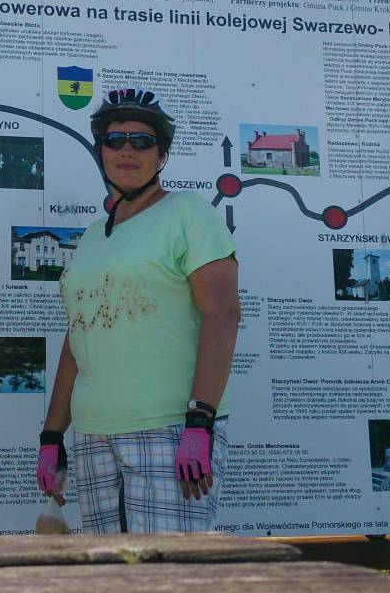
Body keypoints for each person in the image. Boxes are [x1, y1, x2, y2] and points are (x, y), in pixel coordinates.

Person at [36, 88, 240, 533]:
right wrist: (52, 434)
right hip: (92, 431)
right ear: (101, 151)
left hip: (168, 427)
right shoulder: (93, 235)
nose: (126, 150)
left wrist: (200, 420)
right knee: (111, 567)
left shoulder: (186, 212)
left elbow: (222, 314)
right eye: (114, 140)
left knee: (168, 567)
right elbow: (79, 336)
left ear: (161, 155)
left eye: (142, 141)